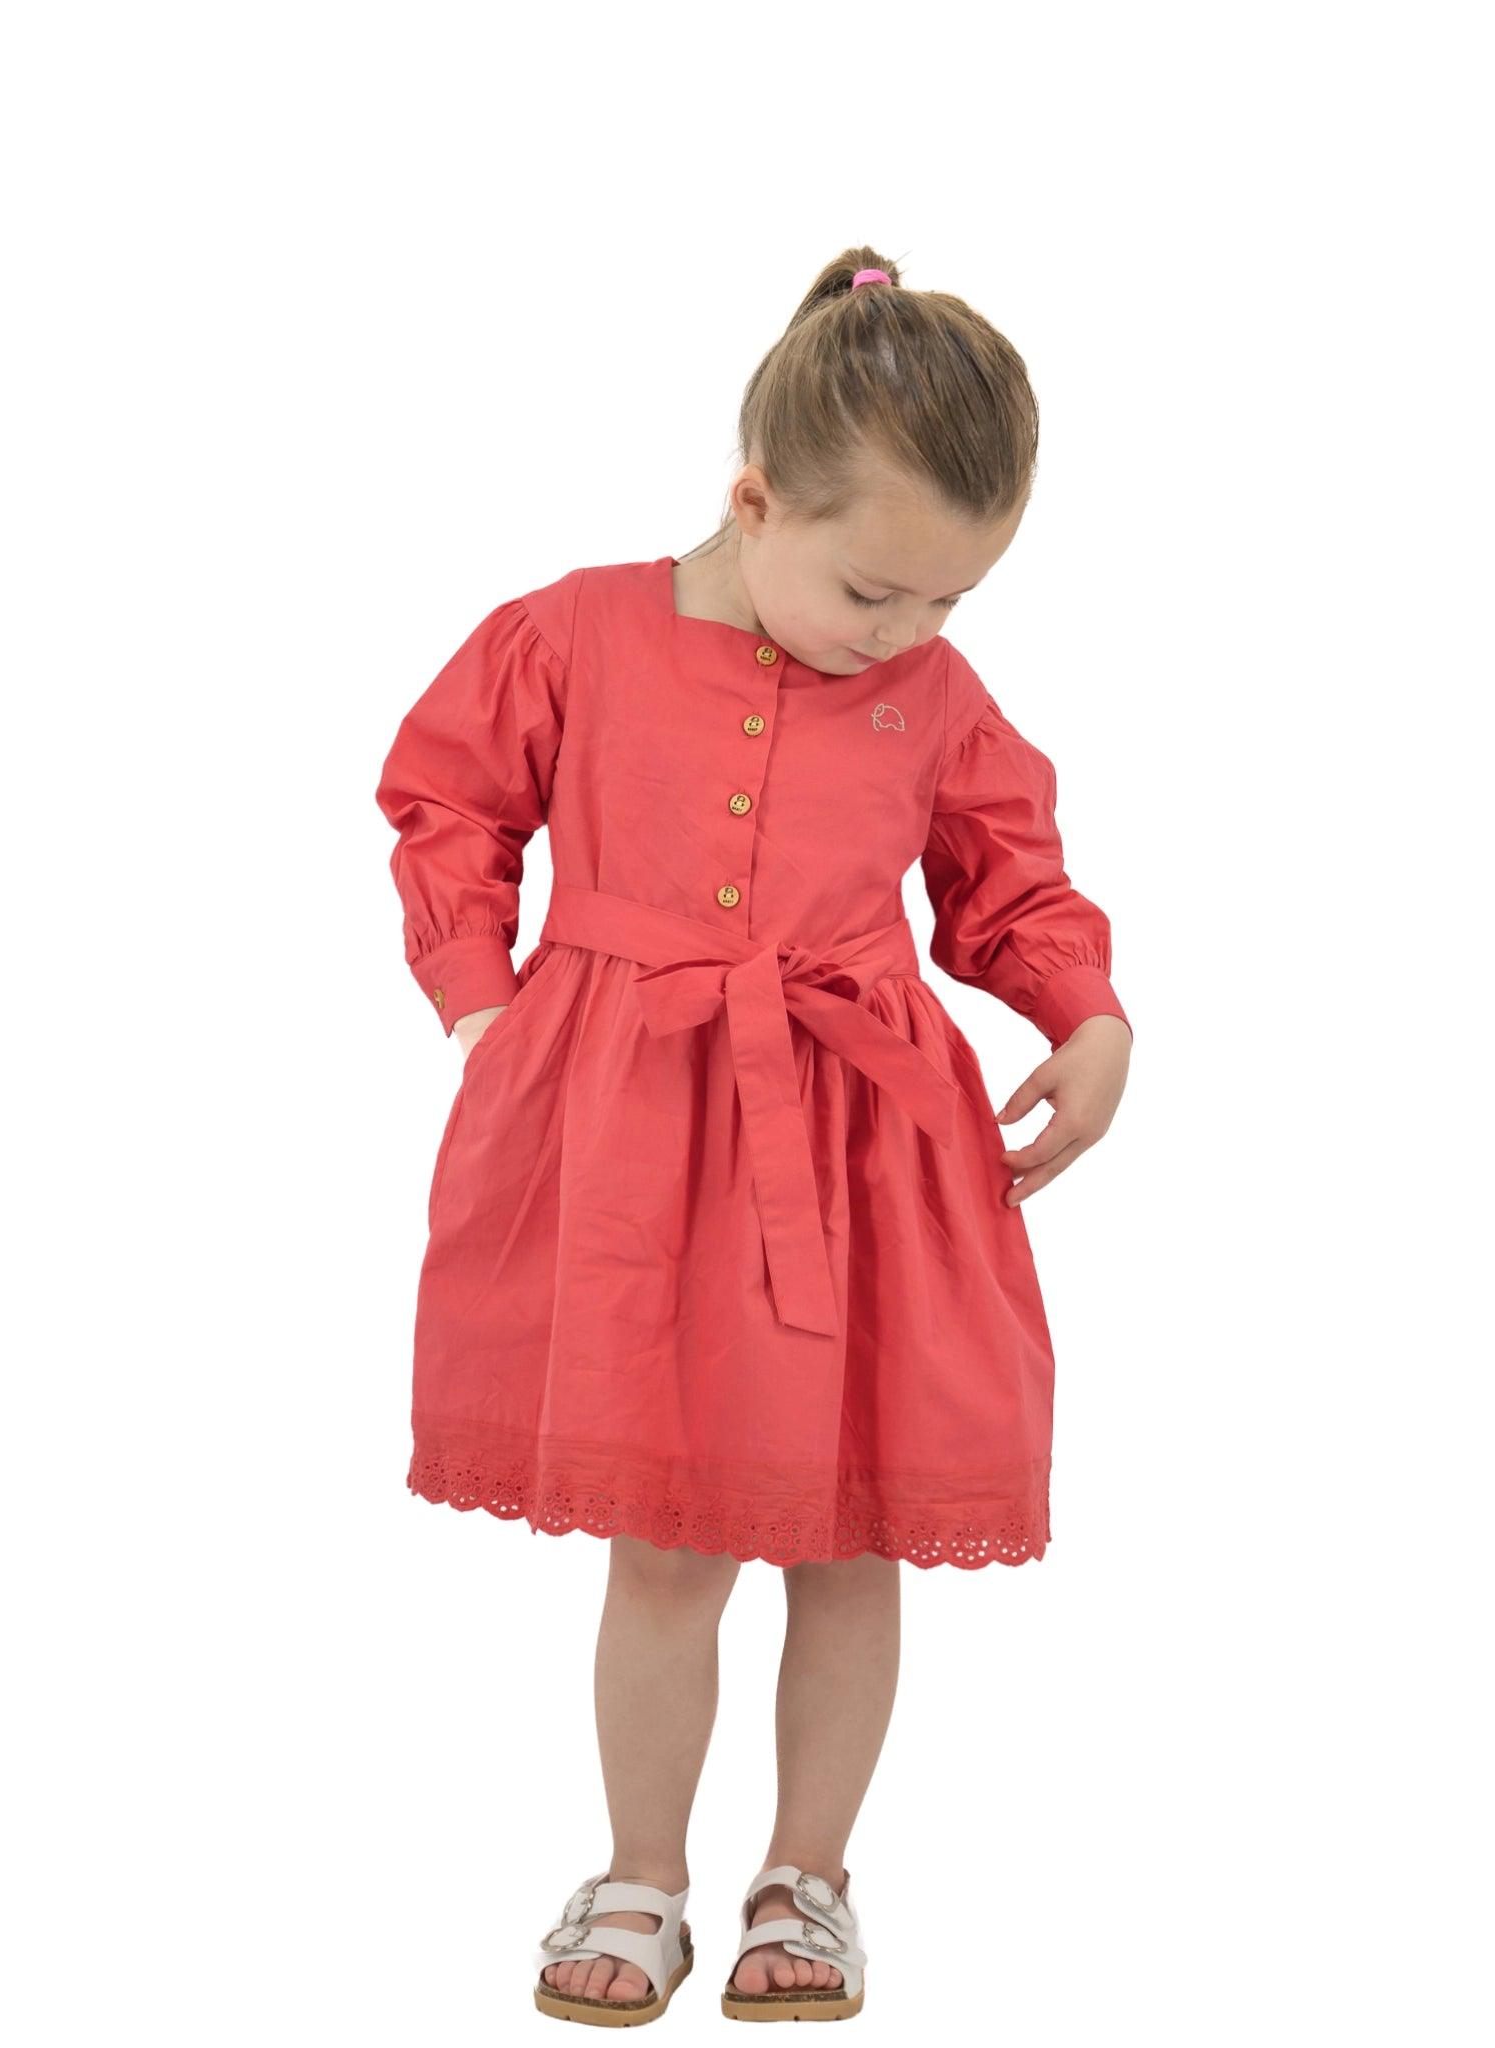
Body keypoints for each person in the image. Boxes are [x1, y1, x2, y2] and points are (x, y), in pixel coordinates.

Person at [374, 248, 1133, 2026]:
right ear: (752, 496)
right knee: (668, 1533)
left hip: (866, 1154)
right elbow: (446, 798)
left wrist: (1088, 1014)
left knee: (852, 1527)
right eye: (877, 587)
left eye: (949, 603)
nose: (908, 636)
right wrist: (479, 999)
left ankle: (814, 1872)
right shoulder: (567, 632)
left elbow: (1010, 872)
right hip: (637, 1156)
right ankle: (642, 1872)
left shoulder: (933, 698)